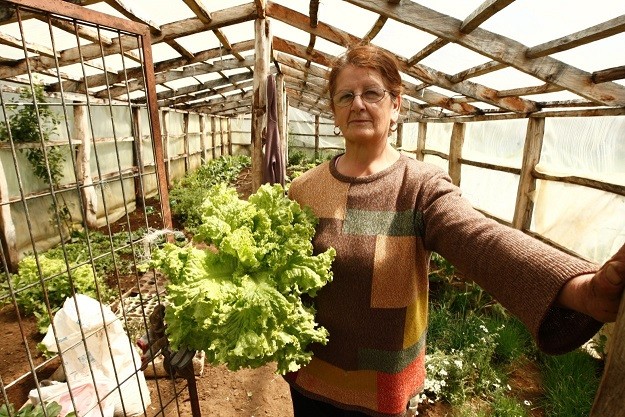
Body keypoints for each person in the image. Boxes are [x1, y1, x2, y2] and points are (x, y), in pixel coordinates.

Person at [284, 42, 625, 417]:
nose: (359, 104)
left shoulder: (419, 185)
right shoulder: (304, 189)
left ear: (395, 105)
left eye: (372, 92)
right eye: (345, 96)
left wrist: (580, 290)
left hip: (382, 386)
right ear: (333, 110)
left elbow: (480, 240)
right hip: (313, 374)